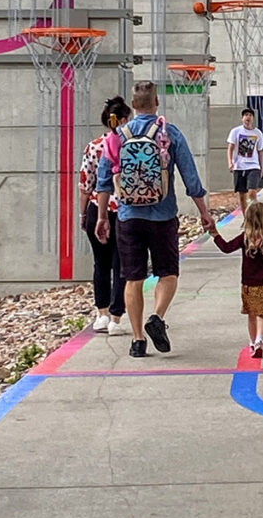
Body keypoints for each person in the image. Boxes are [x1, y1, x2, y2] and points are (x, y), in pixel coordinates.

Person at [96, 80, 217, 358]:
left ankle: (138, 340)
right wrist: (204, 212)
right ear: (156, 103)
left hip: (128, 217)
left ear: (133, 106)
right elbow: (191, 177)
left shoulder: (117, 136)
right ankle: (157, 317)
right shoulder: (169, 133)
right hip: (163, 215)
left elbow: (103, 181)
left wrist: (102, 217)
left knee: (133, 278)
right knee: (168, 273)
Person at [79, 96, 131, 336]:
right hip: (122, 210)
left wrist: (83, 213)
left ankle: (101, 313)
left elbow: (85, 184)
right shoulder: (130, 145)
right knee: (121, 264)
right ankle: (116, 318)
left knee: (100, 263)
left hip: (94, 209)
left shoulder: (93, 146)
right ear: (121, 120)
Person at [213, 200, 263, 359]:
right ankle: (259, 340)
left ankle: (252, 342)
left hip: (248, 283)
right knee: (262, 315)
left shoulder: (245, 237)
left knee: (251, 314)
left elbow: (227, 248)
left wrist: (215, 235)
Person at [227, 107, 263, 213]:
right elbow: (230, 148)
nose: (248, 117)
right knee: (242, 195)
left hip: (253, 166)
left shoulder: (258, 133)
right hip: (239, 166)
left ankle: (256, 216)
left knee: (252, 192)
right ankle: (246, 219)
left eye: (250, 115)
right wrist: (230, 162)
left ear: (253, 118)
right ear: (242, 118)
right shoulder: (235, 131)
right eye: (246, 115)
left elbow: (260, 151)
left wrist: (262, 167)